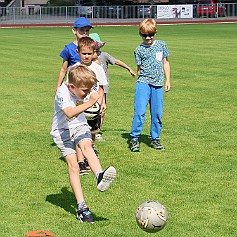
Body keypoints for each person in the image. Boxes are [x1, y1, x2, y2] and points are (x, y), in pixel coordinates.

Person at [50, 64, 116, 223]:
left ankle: (100, 175)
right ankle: (82, 207)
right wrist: (89, 103)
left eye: (89, 90)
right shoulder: (62, 92)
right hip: (62, 131)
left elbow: (97, 91)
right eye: (84, 91)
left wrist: (98, 99)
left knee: (87, 146)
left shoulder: (82, 87)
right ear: (72, 86)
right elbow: (69, 113)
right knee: (73, 167)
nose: (86, 94)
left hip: (79, 125)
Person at [129, 19, 171, 152]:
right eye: (144, 35)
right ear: (140, 34)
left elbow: (165, 63)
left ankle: (155, 139)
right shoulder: (138, 50)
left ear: (155, 33)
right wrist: (140, 81)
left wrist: (168, 80)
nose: (148, 38)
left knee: (157, 113)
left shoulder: (162, 45)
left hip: (158, 84)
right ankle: (134, 138)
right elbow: (139, 68)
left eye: (151, 34)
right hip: (143, 83)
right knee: (140, 112)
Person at [89, 33, 136, 142]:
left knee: (101, 109)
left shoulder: (104, 55)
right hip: (90, 87)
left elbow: (117, 61)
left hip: (103, 87)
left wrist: (129, 68)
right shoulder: (87, 57)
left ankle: (98, 131)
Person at [70, 37, 108, 173]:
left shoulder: (97, 68)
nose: (87, 56)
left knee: (91, 132)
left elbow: (101, 87)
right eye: (84, 53)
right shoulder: (74, 69)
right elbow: (71, 88)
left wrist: (102, 103)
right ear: (78, 52)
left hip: (93, 107)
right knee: (79, 133)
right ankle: (80, 162)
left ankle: (88, 156)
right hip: (80, 106)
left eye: (89, 53)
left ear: (94, 52)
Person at [55, 17, 93, 93]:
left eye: (87, 30)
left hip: (88, 84)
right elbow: (63, 69)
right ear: (74, 30)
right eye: (81, 30)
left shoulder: (92, 46)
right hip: (74, 85)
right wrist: (58, 87)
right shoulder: (69, 49)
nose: (85, 33)